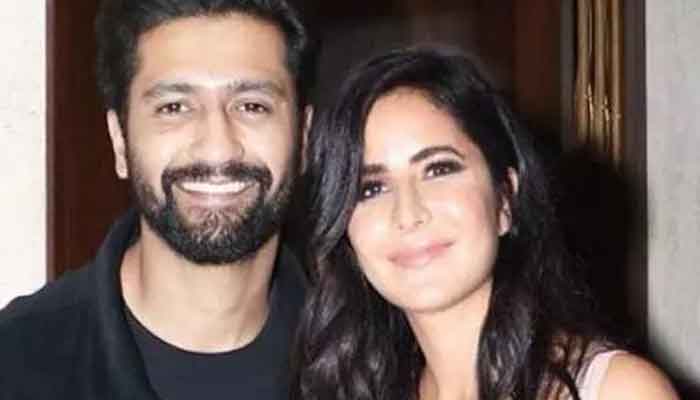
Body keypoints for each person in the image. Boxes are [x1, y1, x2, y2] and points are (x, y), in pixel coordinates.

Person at [293, 46, 678, 399]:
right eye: (371, 189)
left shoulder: (618, 390)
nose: (408, 213)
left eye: (438, 169)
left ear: (505, 199)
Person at [0, 0, 315, 398]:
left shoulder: (369, 362)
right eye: (174, 108)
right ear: (120, 141)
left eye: (252, 106)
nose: (217, 147)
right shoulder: (14, 364)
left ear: (303, 138)